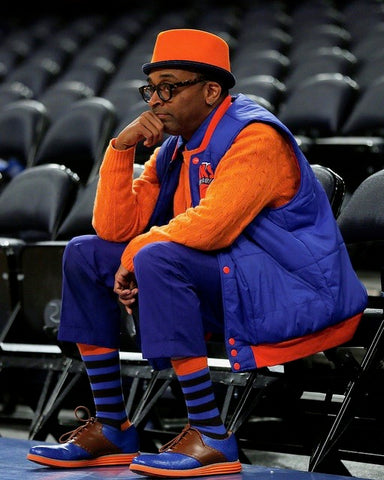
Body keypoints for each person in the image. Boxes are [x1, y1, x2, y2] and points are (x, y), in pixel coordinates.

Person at [27, 28, 368, 477]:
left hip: (291, 288)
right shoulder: (174, 147)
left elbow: (212, 226)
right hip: (231, 278)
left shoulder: (255, 136)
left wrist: (136, 257)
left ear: (211, 91)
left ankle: (210, 434)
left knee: (155, 256)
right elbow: (113, 227)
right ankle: (112, 425)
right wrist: (119, 149)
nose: (155, 100)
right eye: (152, 88)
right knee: (85, 253)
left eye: (170, 87)